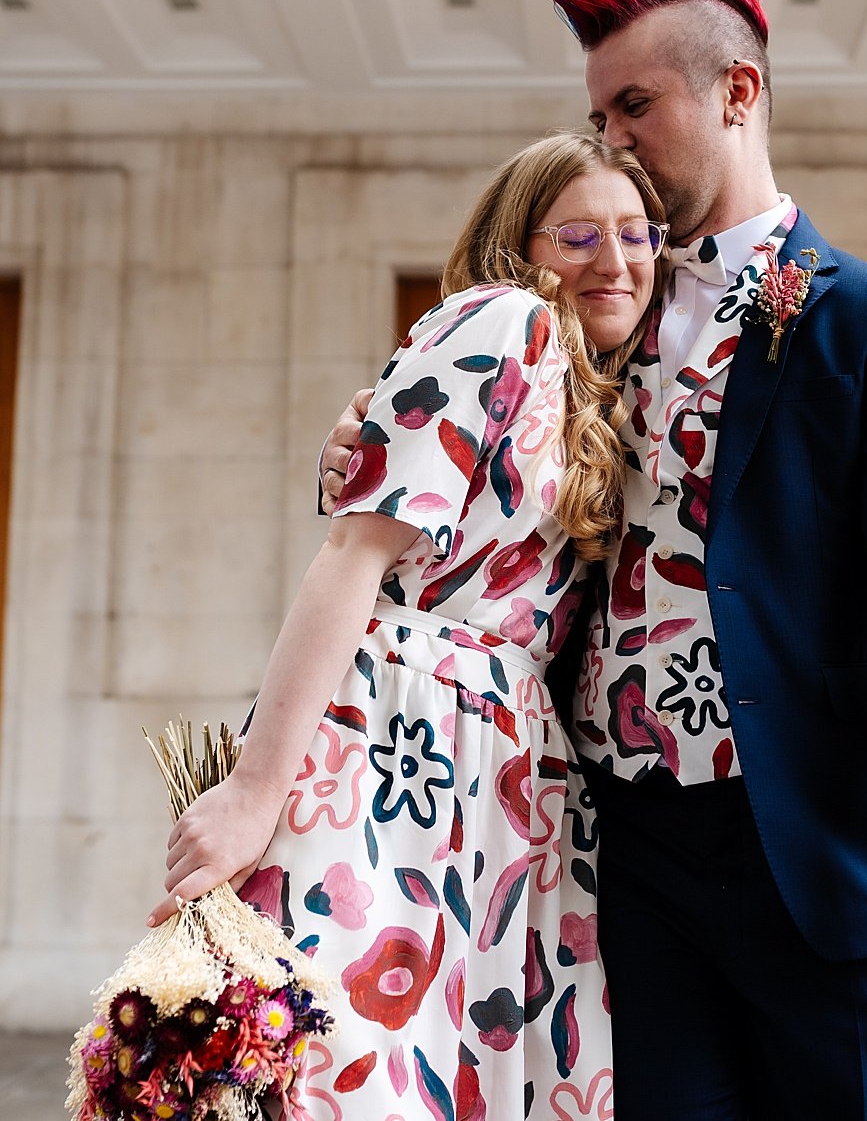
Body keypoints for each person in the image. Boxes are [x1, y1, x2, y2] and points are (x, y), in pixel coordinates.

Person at [320, 0, 867, 1121]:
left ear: (738, 91)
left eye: (634, 103)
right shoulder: (590, 315)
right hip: (615, 856)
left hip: (807, 854)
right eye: (597, 112)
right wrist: (357, 448)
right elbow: (479, 484)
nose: (611, 139)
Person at [150, 131, 667, 1120]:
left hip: (504, 776)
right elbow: (354, 554)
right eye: (579, 233)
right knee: (341, 1070)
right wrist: (254, 792)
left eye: (637, 233)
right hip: (402, 746)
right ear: (520, 246)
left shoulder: (594, 390)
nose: (615, 258)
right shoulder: (503, 321)